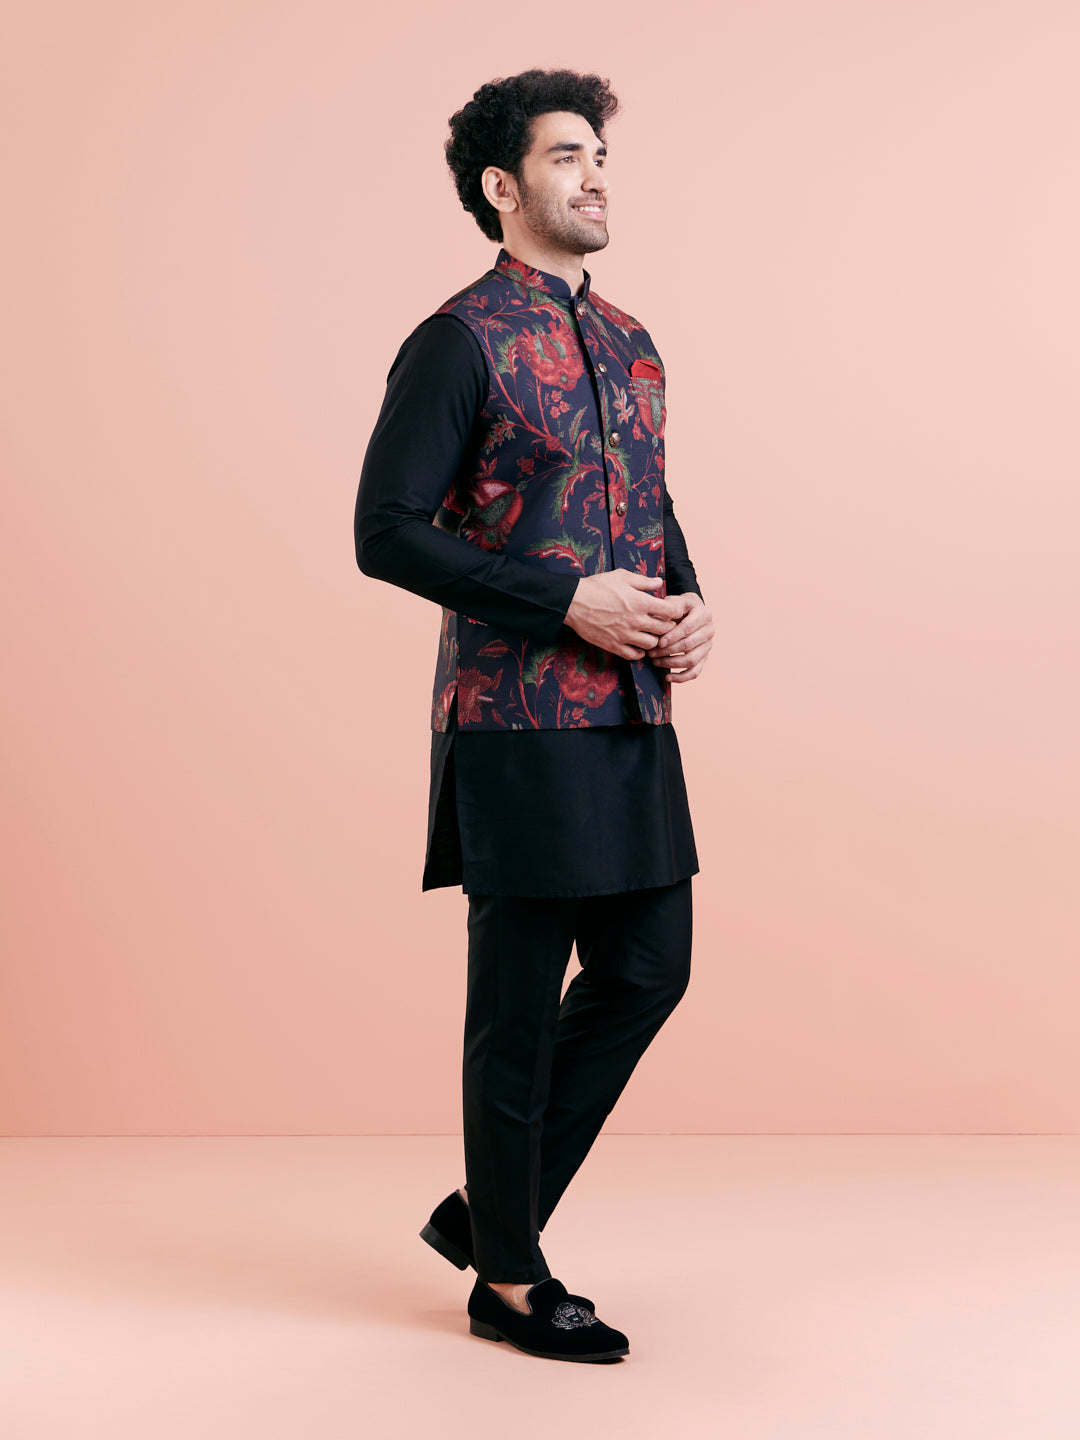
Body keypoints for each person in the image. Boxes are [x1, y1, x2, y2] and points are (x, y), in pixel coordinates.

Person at [354, 67, 714, 1362]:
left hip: (631, 713)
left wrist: (688, 599)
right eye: (569, 156)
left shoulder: (630, 340)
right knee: (515, 1007)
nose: (596, 174)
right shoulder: (459, 339)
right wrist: (566, 602)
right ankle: (508, 1275)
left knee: (649, 971)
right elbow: (385, 530)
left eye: (600, 154)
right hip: (514, 721)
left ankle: (485, 1214)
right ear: (503, 186)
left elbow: (642, 501)